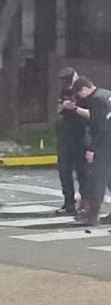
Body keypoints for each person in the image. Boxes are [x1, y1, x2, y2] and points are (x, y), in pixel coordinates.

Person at [62, 76, 111, 225]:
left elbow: (99, 126)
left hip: (105, 145)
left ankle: (92, 216)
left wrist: (92, 148)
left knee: (97, 179)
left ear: (84, 89)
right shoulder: (106, 94)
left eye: (80, 94)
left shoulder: (96, 99)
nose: (81, 98)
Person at [54, 67, 89, 215]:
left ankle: (86, 202)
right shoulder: (65, 91)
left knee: (83, 171)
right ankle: (69, 202)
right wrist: (63, 106)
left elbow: (90, 114)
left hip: (81, 135)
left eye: (68, 81)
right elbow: (58, 109)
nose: (67, 85)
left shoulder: (84, 91)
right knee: (64, 170)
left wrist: (74, 108)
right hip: (65, 135)